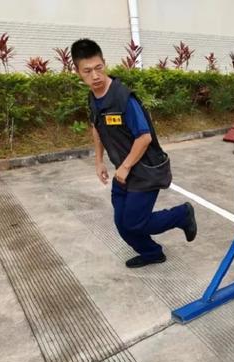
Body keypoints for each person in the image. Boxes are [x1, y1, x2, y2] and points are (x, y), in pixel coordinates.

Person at [71, 38, 197, 268]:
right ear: (78, 72)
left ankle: (181, 215)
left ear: (104, 63)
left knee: (134, 222)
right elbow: (96, 128)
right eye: (87, 71)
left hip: (144, 171)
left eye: (99, 68)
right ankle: (152, 253)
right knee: (122, 223)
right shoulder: (93, 97)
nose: (95, 76)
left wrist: (126, 166)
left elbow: (144, 137)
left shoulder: (123, 98)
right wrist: (99, 161)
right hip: (124, 171)